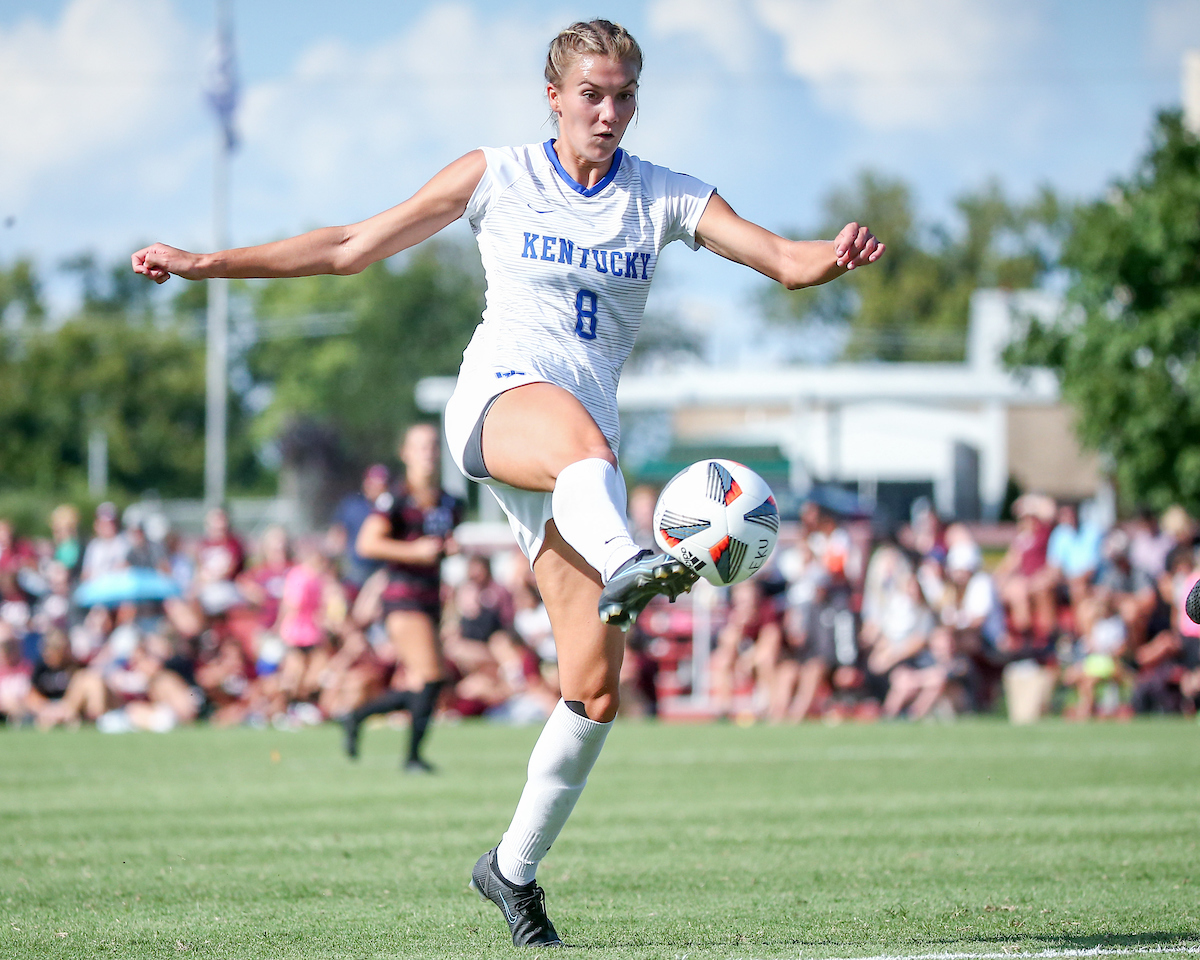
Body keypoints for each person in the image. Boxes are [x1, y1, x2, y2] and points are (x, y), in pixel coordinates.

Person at [131, 18, 883, 947]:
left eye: (624, 97)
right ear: (554, 95)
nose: (609, 113)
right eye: (592, 95)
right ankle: (628, 562)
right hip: (502, 405)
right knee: (587, 457)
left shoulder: (666, 197)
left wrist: (833, 256)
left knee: (596, 688)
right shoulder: (498, 173)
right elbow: (348, 247)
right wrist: (208, 264)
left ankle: (512, 871)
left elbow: (783, 260)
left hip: (578, 468)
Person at [340, 423, 463, 773]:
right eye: (420, 446)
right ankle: (411, 758)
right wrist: (416, 551)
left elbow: (439, 546)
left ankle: (357, 716)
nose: (429, 453)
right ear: (405, 453)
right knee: (429, 678)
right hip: (402, 597)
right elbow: (367, 543)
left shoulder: (450, 502)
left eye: (433, 446)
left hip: (430, 598)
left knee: (431, 683)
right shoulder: (395, 499)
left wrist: (447, 549)